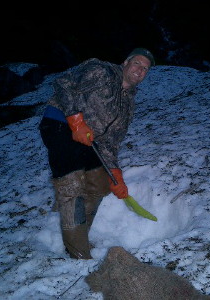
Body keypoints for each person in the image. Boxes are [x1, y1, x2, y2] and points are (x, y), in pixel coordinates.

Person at [39, 48, 155, 259]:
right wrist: (75, 119)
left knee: (100, 183)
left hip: (88, 139)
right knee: (72, 186)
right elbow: (63, 84)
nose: (140, 70)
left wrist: (114, 172)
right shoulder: (101, 71)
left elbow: (110, 141)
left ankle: (79, 236)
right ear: (126, 62)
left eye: (145, 68)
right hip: (60, 124)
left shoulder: (127, 103)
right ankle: (79, 255)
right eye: (137, 63)